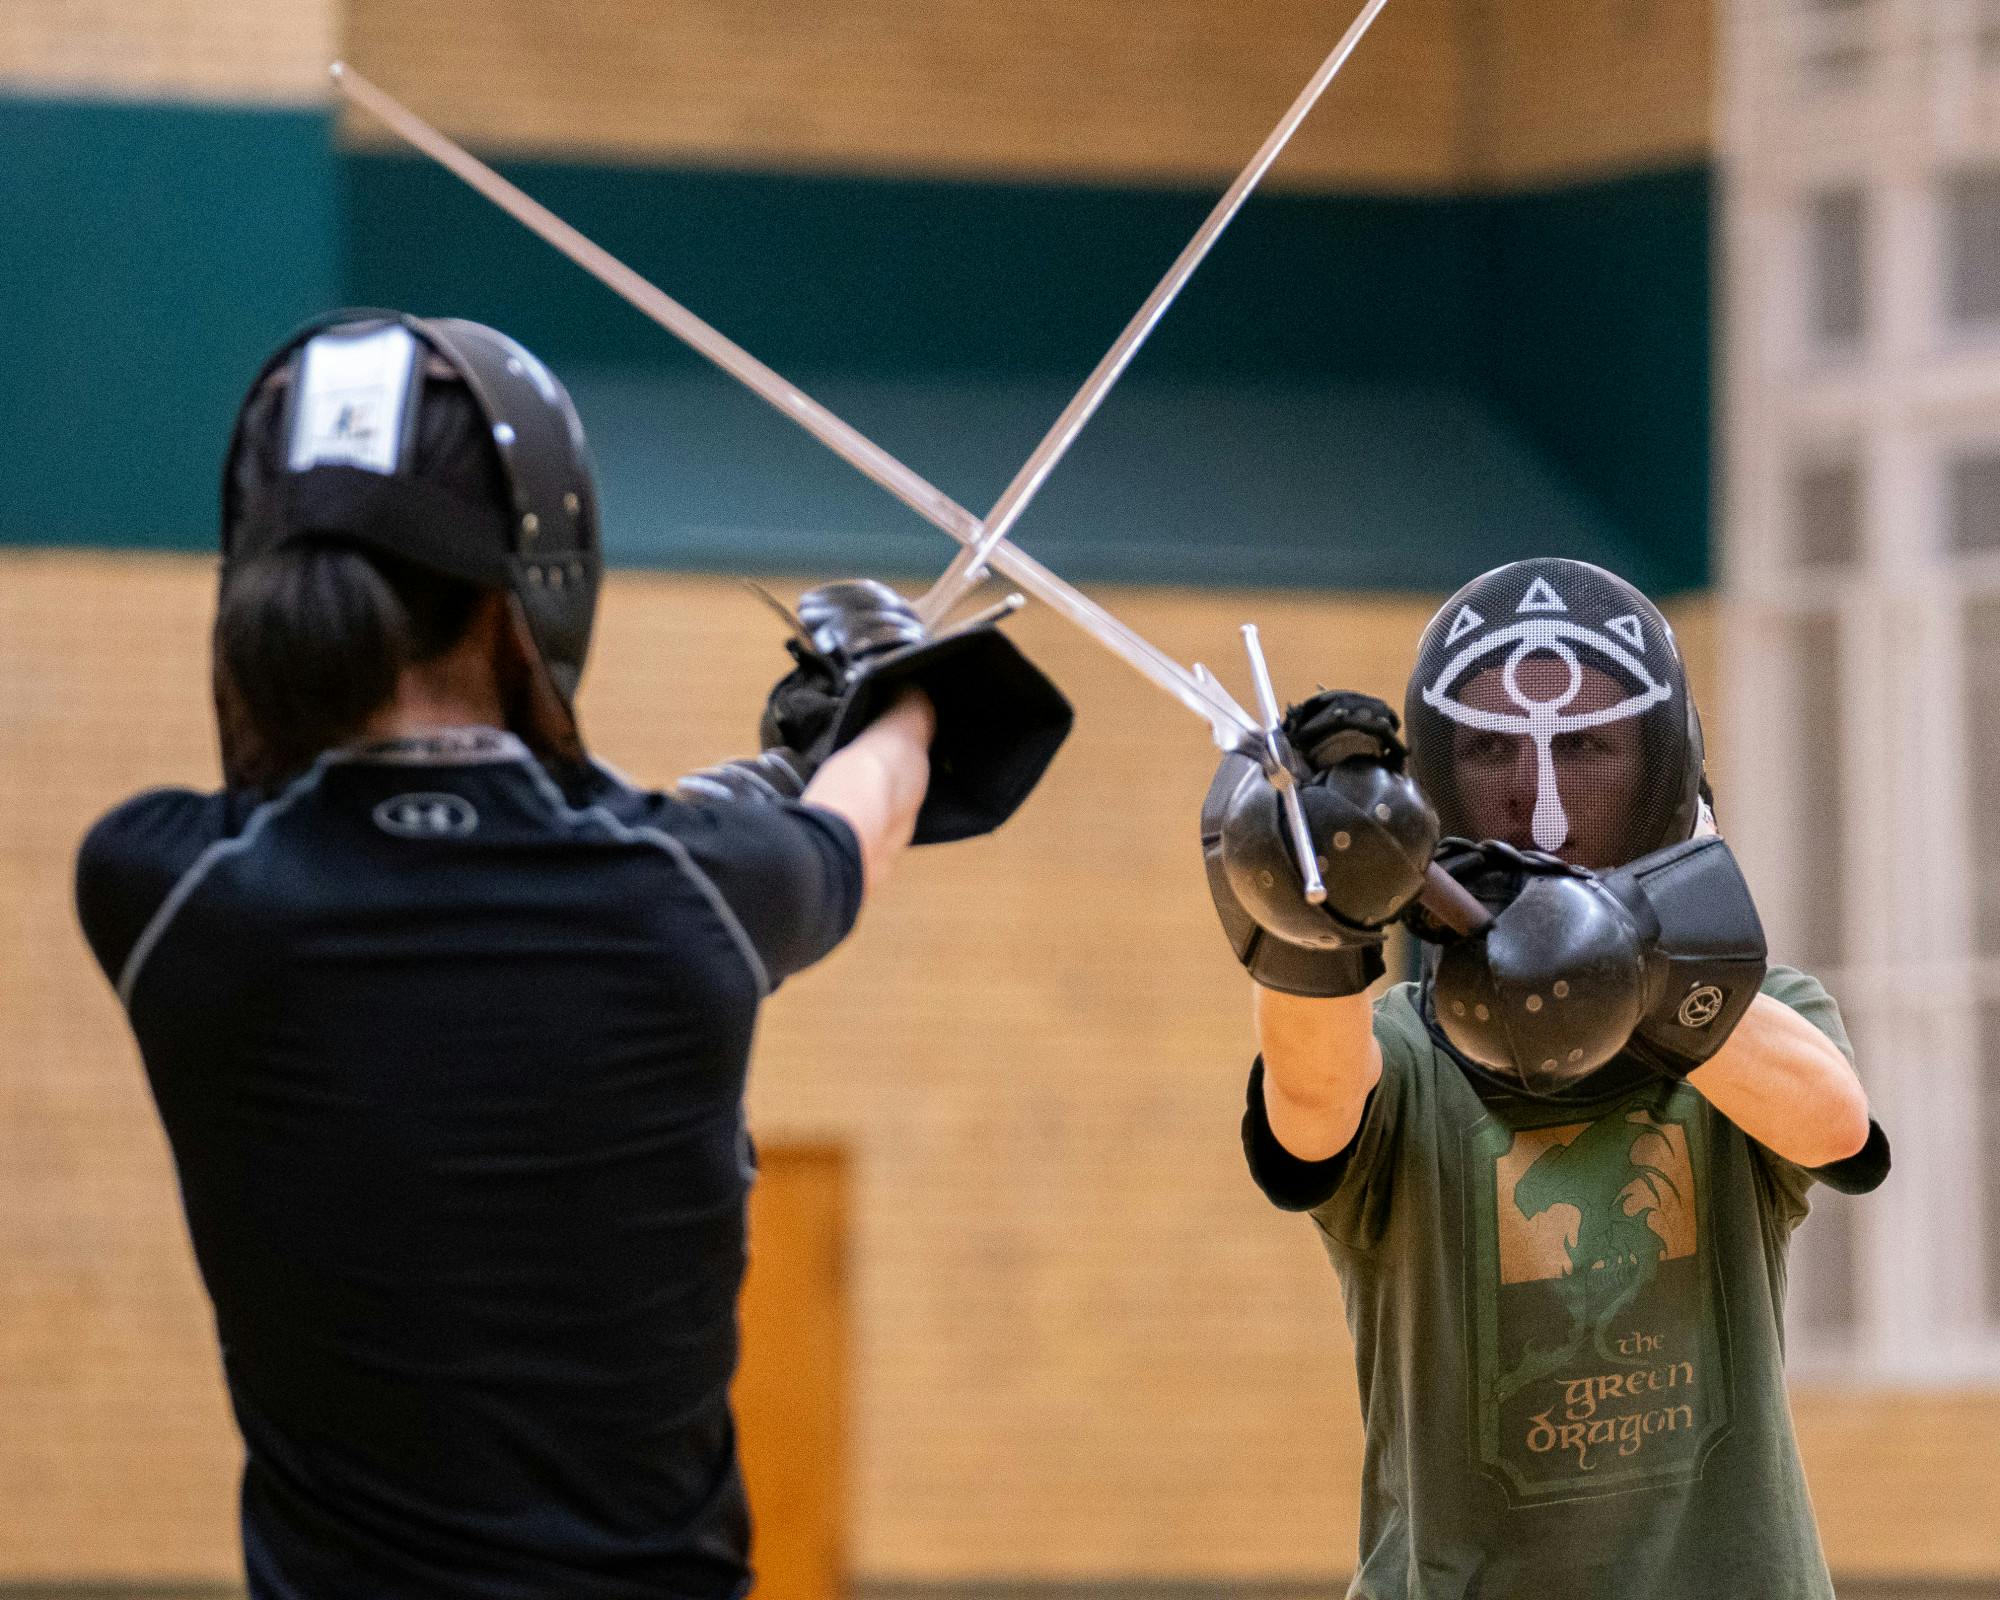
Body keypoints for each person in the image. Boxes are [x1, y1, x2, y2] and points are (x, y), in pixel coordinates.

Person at [73, 311, 1069, 1599]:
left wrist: (728, 799)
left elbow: (431, 859)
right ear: (540, 569)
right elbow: (858, 818)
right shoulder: (689, 895)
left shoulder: (160, 890)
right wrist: (902, 698)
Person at [1200, 557, 1888, 1600]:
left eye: (1590, 748)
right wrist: (1311, 926)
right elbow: (1307, 1116)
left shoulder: (1757, 1022)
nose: (1545, 810)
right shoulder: (1402, 1050)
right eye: (1487, 751)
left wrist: (1632, 958)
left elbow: (1836, 1128)